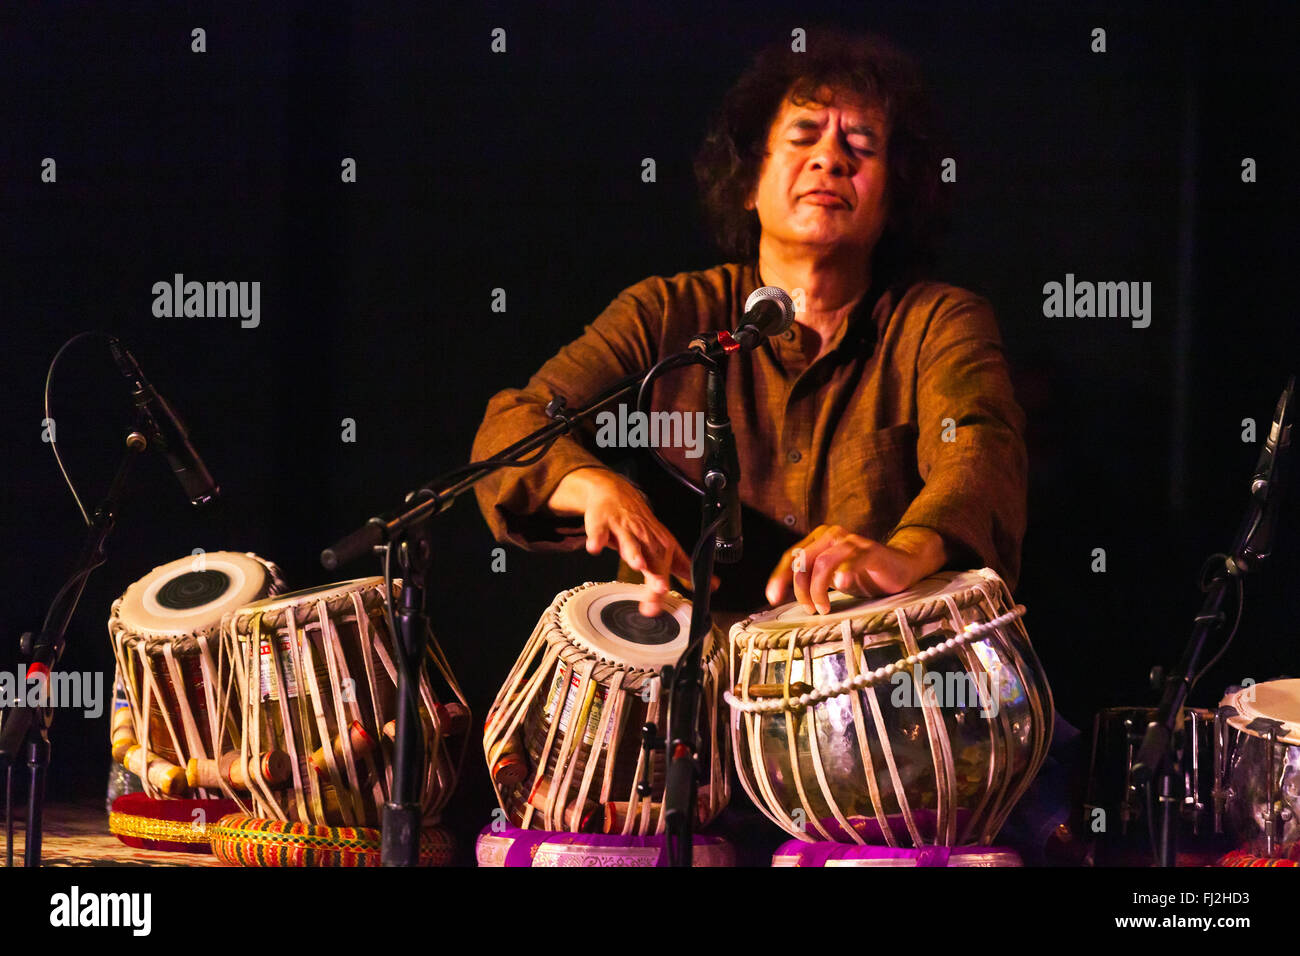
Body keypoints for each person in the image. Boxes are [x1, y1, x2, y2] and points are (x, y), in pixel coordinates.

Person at [472, 31, 1027, 625]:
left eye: (861, 145)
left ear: (894, 197)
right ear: (746, 182)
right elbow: (514, 426)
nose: (830, 159)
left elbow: (980, 445)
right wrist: (597, 487)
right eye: (804, 136)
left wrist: (907, 549)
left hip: (865, 690)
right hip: (678, 685)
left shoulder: (935, 322)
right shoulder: (664, 312)